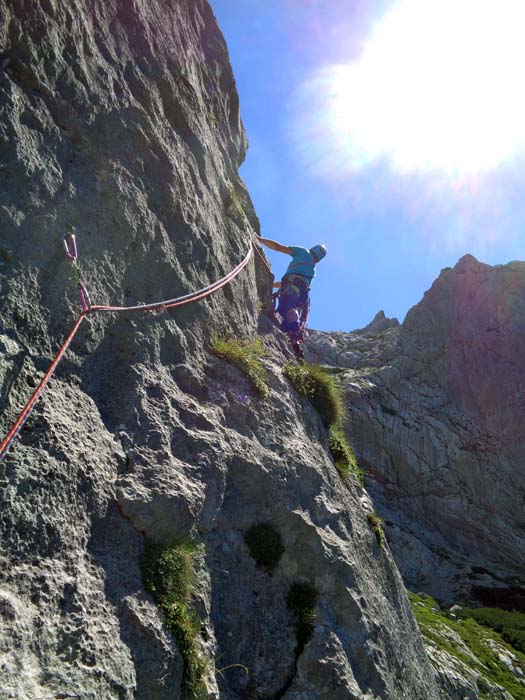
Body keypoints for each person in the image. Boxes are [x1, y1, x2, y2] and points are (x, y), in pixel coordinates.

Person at [256, 235, 327, 356]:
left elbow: (278, 247)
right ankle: (296, 345)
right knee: (287, 315)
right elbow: (291, 284)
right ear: (318, 260)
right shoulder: (312, 269)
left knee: (288, 309)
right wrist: (271, 285)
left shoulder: (303, 252)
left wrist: (259, 239)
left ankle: (294, 332)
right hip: (302, 294)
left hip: (292, 286)